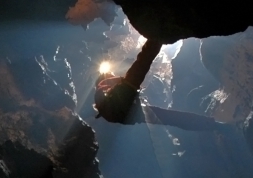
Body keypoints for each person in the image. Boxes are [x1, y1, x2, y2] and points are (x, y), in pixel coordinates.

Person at [93, 39, 227, 132]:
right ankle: (214, 126)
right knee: (176, 119)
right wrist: (156, 39)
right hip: (138, 116)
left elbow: (130, 81)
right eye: (111, 76)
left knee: (174, 119)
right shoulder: (118, 95)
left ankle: (212, 125)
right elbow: (141, 65)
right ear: (106, 83)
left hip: (135, 117)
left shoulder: (106, 100)